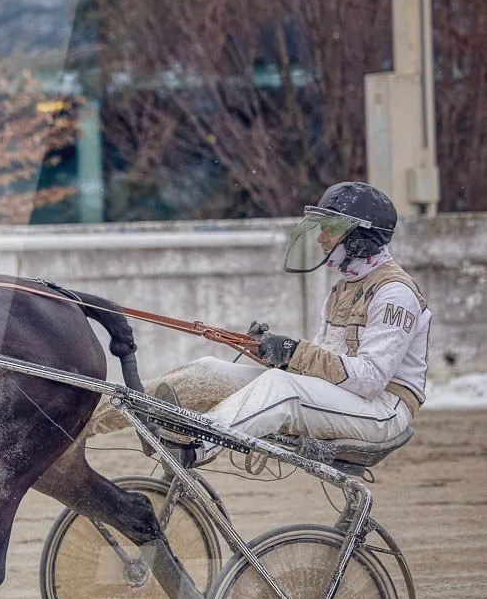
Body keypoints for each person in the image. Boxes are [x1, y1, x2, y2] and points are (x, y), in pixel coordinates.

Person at [163, 182, 430, 463]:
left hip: (384, 410)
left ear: (360, 238)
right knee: (210, 369)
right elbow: (323, 366)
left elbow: (369, 380)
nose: (321, 238)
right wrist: (274, 354)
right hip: (349, 398)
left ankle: (198, 446)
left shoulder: (394, 292)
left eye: (331, 228)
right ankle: (131, 410)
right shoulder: (344, 288)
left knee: (281, 387)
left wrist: (295, 352)